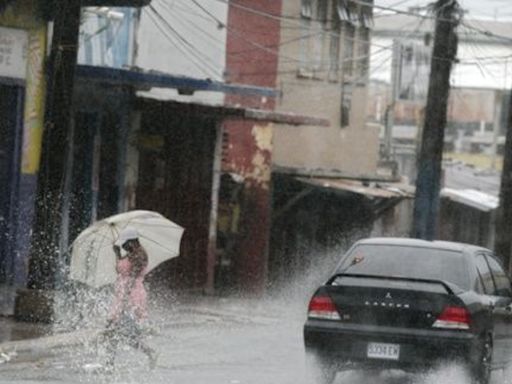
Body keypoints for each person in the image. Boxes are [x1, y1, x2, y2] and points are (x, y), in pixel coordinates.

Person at [103, 227, 158, 371]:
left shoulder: (140, 256)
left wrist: (124, 301)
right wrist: (117, 254)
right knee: (115, 331)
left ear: (133, 241)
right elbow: (120, 269)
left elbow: (132, 277)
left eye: (126, 243)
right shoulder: (131, 254)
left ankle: (149, 352)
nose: (124, 246)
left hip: (132, 295)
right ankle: (109, 364)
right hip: (123, 294)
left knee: (119, 331)